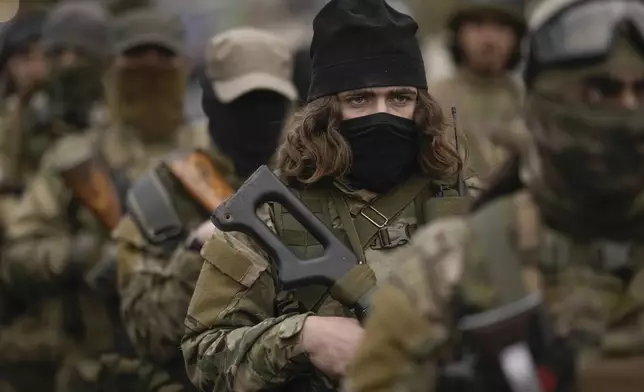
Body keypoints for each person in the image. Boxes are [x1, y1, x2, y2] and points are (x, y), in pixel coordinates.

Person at [345, 0, 644, 391]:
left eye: (641, 91)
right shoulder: (450, 270)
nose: (626, 112)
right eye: (600, 92)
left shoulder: (514, 100)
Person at [181, 1, 466, 391]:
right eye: (360, 99)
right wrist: (303, 338)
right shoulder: (274, 214)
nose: (382, 114)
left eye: (399, 98)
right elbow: (202, 355)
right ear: (326, 112)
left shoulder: (467, 202)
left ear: (421, 108)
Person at [0, 6, 209, 392]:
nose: (150, 69)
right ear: (113, 66)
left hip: (195, 363)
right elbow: (17, 254)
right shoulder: (76, 158)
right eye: (136, 57)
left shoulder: (212, 154)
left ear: (184, 64)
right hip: (95, 368)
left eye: (162, 57)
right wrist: (85, 255)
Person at [111, 27, 297, 391]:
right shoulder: (162, 197)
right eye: (243, 104)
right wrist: (199, 252)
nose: (258, 117)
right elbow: (147, 332)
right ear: (211, 105)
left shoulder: (308, 184)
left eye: (270, 103)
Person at [431, 0, 527, 189]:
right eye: (477, 25)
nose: (489, 38)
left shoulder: (532, 103)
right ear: (458, 34)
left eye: (501, 26)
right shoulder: (432, 101)